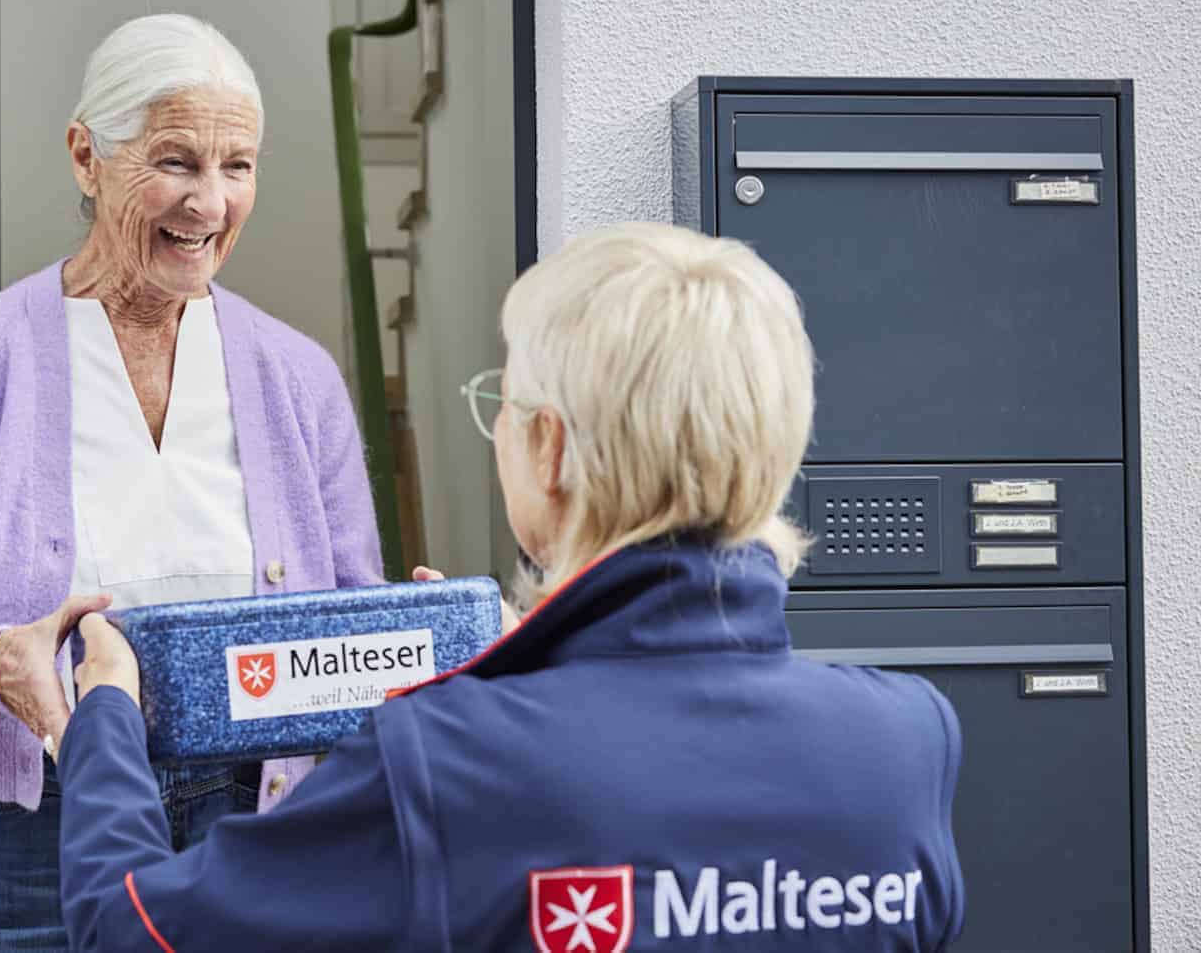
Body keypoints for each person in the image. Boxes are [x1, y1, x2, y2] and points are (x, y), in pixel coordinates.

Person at [57, 222, 966, 951]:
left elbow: (130, 924)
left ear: (553, 447)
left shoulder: (445, 758)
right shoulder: (905, 740)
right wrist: (525, 667)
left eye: (508, 403)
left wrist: (103, 712)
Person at [0, 14, 390, 951]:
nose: (210, 204)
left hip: (255, 794)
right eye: (177, 161)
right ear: (87, 157)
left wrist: (410, 644)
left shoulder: (298, 378)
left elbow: (351, 611)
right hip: (34, 818)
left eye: (238, 166)